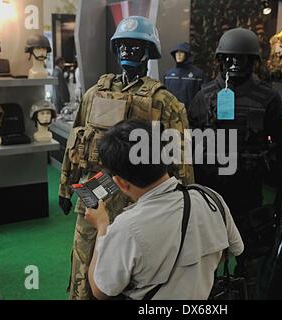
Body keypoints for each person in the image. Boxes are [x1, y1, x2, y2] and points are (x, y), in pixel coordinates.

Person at [58, 16, 194, 300]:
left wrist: (185, 204)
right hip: (94, 190)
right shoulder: (95, 94)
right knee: (84, 258)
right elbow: (77, 139)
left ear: (148, 53)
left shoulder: (165, 102)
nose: (126, 52)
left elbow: (181, 158)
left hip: (139, 199)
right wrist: (64, 186)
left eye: (134, 46)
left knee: (131, 271)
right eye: (122, 46)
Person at [85, 120, 243, 300]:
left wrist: (102, 226)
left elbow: (101, 291)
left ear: (120, 182)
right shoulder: (210, 198)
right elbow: (232, 249)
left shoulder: (127, 228)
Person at [188, 28, 282, 285]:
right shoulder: (204, 96)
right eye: (229, 58)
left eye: (243, 58)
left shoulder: (267, 97)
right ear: (220, 60)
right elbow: (189, 141)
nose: (235, 63)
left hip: (248, 189)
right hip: (209, 187)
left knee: (251, 256)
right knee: (206, 256)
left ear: (253, 61)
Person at [163, 42, 206, 109]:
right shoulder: (168, 75)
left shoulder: (198, 75)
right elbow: (164, 96)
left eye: (181, 52)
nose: (178, 55)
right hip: (172, 115)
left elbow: (203, 98)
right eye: (176, 53)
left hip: (191, 115)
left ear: (187, 55)